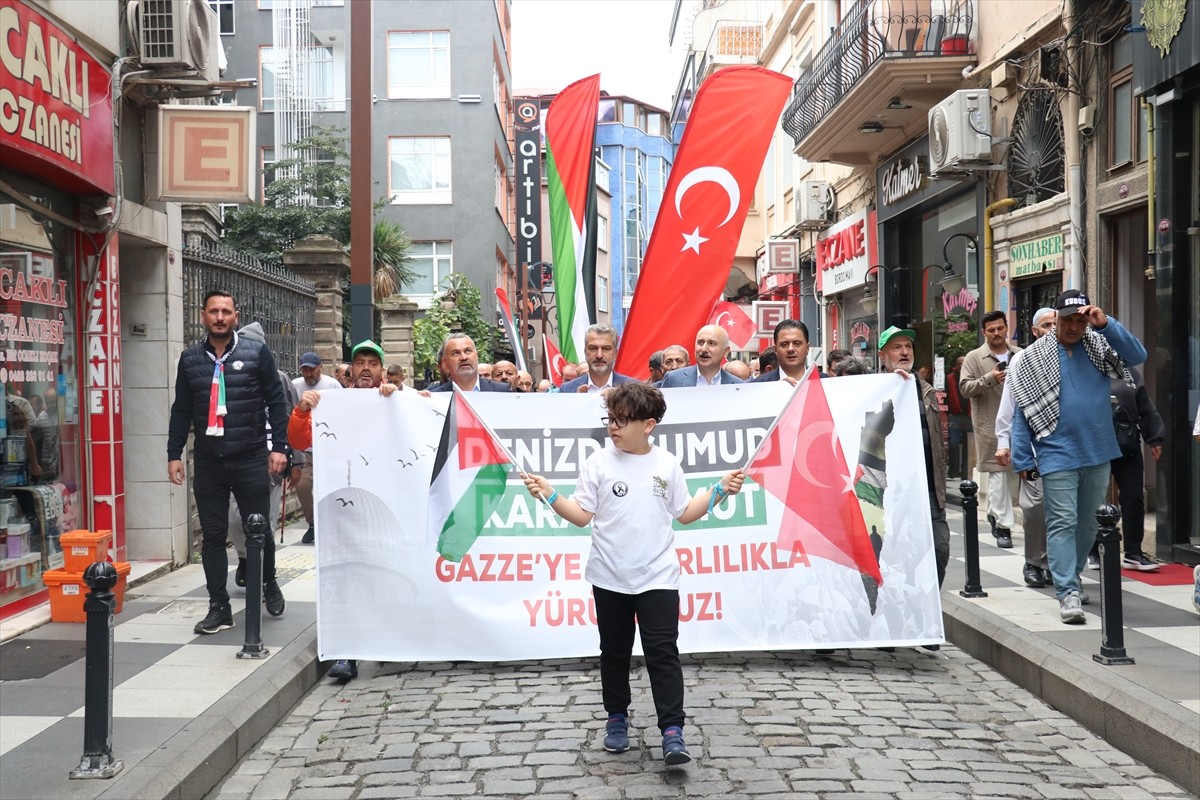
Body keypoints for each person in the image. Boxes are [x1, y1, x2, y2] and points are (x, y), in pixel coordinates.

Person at [521, 383, 745, 765]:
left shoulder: (667, 464)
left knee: (662, 653)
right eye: (611, 419)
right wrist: (550, 493)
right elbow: (580, 517)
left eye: (624, 421)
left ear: (649, 425)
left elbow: (686, 512)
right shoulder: (598, 463)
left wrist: (720, 490)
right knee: (614, 652)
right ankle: (617, 719)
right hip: (609, 577)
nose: (614, 427)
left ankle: (672, 731)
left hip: (658, 577)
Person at [1010, 291, 1147, 625]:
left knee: (1089, 523)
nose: (1074, 326)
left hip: (1098, 448)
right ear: (1055, 318)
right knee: (1062, 520)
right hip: (1056, 450)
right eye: (1067, 319)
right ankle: (1067, 591)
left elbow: (1137, 354)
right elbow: (1022, 412)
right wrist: (1021, 457)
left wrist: (1106, 324)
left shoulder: (1098, 345)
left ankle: (1070, 574)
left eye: (1080, 320)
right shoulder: (1030, 358)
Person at [167, 290, 288, 634]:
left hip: (250, 456)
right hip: (209, 461)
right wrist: (173, 454)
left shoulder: (255, 352)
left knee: (258, 526)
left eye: (226, 312)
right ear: (203, 316)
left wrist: (279, 447)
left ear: (236, 316)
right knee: (213, 535)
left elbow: (276, 402)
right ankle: (218, 605)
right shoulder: (190, 359)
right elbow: (182, 409)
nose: (220, 317)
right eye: (213, 312)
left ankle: (268, 583)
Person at [289, 339, 399, 682]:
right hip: (342, 505)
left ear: (382, 369)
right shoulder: (330, 404)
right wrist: (303, 410)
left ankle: (388, 640)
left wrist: (400, 397)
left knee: (381, 574)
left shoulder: (394, 400)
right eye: (360, 362)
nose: (366, 368)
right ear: (351, 370)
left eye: (373, 363)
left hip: (383, 505)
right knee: (345, 576)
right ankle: (346, 653)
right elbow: (296, 440)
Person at [229, 322, 302, 588]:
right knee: (235, 518)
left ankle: (265, 576)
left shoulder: (280, 378)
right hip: (236, 457)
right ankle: (244, 557)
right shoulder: (228, 371)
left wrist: (296, 461)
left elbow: (293, 418)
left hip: (272, 460)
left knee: (266, 521)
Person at [877, 326, 950, 588]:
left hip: (928, 487)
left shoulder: (926, 389)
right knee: (894, 554)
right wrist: (891, 388)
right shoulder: (873, 389)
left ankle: (928, 605)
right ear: (882, 355)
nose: (905, 351)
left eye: (908, 346)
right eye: (896, 347)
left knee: (939, 549)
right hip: (892, 491)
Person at [994, 307, 1056, 588]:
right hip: (1032, 450)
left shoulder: (1072, 357)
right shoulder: (1021, 361)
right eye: (1046, 325)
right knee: (1035, 509)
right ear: (1034, 331)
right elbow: (1008, 406)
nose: (1052, 329)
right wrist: (1003, 442)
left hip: (1064, 451)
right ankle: (1033, 562)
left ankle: (1058, 565)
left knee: (1063, 512)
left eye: (1056, 323)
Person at [1085, 366, 1164, 571]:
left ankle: (1133, 553)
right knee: (1094, 498)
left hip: (1126, 442)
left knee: (1133, 497)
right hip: (1093, 444)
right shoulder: (1083, 365)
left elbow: (1144, 405)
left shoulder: (1128, 371)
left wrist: (1155, 438)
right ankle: (1093, 549)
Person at [959, 310, 1022, 549]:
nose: (997, 333)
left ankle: (996, 514)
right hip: (990, 426)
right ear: (984, 332)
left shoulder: (1020, 354)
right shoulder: (975, 357)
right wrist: (990, 379)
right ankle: (1004, 527)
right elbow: (965, 388)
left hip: (1019, 427)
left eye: (1000, 328)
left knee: (1016, 477)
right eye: (991, 330)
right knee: (998, 475)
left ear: (1007, 327)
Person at [292, 352, 340, 545]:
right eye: (304, 369)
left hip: (328, 447)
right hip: (305, 449)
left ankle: (332, 523)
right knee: (302, 485)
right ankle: (312, 523)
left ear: (320, 367)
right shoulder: (295, 386)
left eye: (311, 369)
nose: (308, 373)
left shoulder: (332, 385)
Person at [660, 325, 744, 387]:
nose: (704, 349)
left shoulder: (738, 385)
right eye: (700, 342)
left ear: (726, 351)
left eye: (711, 343)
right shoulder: (673, 379)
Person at [559, 324, 635, 393]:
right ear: (585, 352)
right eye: (593, 348)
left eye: (606, 348)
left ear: (615, 353)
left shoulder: (633, 389)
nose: (599, 355)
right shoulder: (567, 390)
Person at [428, 334, 511, 392]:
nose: (464, 357)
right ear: (445, 363)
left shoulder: (501, 391)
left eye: (468, 351)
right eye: (456, 353)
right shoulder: (436, 397)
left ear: (476, 356)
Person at [752, 320, 813, 384]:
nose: (790, 349)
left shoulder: (823, 381)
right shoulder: (758, 385)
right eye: (784, 344)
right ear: (776, 349)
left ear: (807, 348)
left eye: (797, 343)